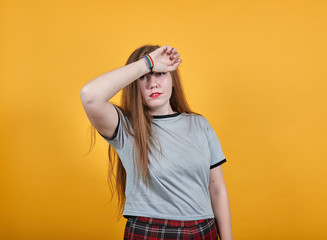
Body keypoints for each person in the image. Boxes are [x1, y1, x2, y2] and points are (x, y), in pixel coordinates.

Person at [80, 45, 233, 240]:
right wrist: (147, 63)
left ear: (173, 80)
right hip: (150, 231)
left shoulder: (200, 125)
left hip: (204, 229)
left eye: (160, 74)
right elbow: (89, 95)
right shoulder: (126, 126)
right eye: (143, 77)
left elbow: (217, 189)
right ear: (133, 84)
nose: (153, 84)